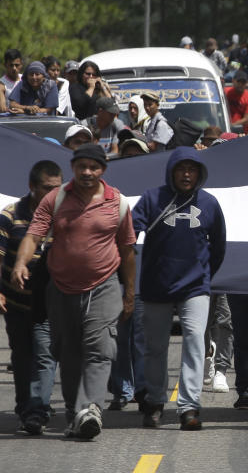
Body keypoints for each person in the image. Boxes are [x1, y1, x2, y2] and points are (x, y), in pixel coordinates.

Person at [11, 144, 136, 440]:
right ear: (73, 168)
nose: (87, 172)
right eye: (82, 166)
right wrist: (20, 263)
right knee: (68, 354)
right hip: (62, 289)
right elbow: (34, 235)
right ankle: (74, 413)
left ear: (103, 170)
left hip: (103, 286)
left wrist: (129, 292)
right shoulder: (56, 199)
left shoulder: (117, 203)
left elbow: (127, 251)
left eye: (94, 167)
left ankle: (90, 408)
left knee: (100, 350)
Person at [133, 148, 226, 430]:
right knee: (155, 348)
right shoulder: (152, 198)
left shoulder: (209, 203)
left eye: (192, 169)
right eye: (181, 169)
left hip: (195, 287)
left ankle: (189, 407)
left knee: (196, 344)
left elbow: (218, 247)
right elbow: (128, 232)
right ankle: (155, 402)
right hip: (155, 287)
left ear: (199, 173)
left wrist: (203, 274)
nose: (187, 174)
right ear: (172, 171)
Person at [0, 160, 62, 435]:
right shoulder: (10, 215)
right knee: (22, 356)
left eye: (58, 189)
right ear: (32, 187)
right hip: (16, 303)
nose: (53, 195)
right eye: (47, 189)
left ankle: (37, 411)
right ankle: (25, 407)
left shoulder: (65, 216)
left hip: (48, 305)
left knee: (45, 356)